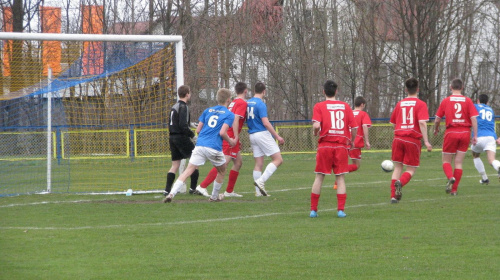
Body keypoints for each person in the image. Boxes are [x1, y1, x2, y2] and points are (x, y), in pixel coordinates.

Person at [163, 88, 236, 203]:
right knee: (222, 171)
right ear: (228, 100)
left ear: (217, 98)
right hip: (214, 147)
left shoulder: (207, 110)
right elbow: (222, 132)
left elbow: (198, 130)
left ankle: (171, 194)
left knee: (188, 171)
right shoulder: (229, 114)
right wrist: (231, 141)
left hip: (200, 145)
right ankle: (214, 197)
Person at [310, 80, 357, 218]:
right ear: (336, 91)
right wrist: (352, 141)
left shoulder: (319, 106)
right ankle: (340, 210)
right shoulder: (345, 106)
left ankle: (313, 210)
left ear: (323, 92)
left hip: (325, 145)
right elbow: (354, 127)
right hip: (341, 146)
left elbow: (316, 126)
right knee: (340, 178)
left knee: (319, 177)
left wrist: (315, 133)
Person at [195, 82, 248, 197]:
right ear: (246, 91)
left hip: (229, 133)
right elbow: (235, 119)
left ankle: (229, 191)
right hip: (229, 135)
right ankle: (202, 186)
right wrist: (235, 136)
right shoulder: (242, 103)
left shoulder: (233, 102)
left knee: (238, 163)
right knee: (223, 164)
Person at [389, 78, 432, 203]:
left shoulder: (400, 103)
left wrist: (398, 132)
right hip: (412, 139)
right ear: (417, 90)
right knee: (411, 169)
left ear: (406, 89)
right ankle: (400, 183)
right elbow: (422, 123)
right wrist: (426, 141)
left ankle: (393, 196)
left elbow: (393, 122)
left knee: (397, 167)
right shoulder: (421, 104)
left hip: (398, 138)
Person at [433, 78, 478, 195]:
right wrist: (475, 135)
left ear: (450, 87)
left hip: (451, 132)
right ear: (462, 88)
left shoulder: (446, 101)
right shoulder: (468, 101)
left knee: (446, 161)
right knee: (458, 162)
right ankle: (454, 190)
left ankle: (450, 177)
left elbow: (437, 119)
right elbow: (474, 119)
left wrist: (436, 128)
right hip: (465, 133)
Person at [247, 82, 285, 197]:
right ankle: (261, 181)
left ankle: (258, 193)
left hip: (252, 134)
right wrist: (277, 136)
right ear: (264, 91)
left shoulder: (247, 103)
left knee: (258, 163)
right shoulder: (261, 104)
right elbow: (265, 122)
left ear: (254, 90)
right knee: (278, 159)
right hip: (262, 133)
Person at [163, 85, 198, 196]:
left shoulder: (175, 106)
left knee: (175, 165)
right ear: (187, 94)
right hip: (181, 137)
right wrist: (193, 136)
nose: (190, 94)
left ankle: (167, 190)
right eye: (190, 92)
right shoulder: (184, 106)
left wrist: (191, 124)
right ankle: (193, 189)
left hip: (172, 137)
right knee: (195, 161)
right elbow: (183, 126)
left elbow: (178, 122)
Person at [334, 96, 372, 190]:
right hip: (355, 142)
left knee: (345, 162)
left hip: (344, 141)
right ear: (362, 104)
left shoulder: (348, 113)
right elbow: (364, 126)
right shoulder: (363, 114)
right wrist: (367, 141)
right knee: (356, 165)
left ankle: (337, 179)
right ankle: (338, 175)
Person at [470, 94, 500, 184]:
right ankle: (498, 166)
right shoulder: (491, 109)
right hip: (491, 137)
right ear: (487, 102)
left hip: (479, 136)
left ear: (478, 100)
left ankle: (484, 178)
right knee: (491, 160)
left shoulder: (474, 106)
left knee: (475, 155)